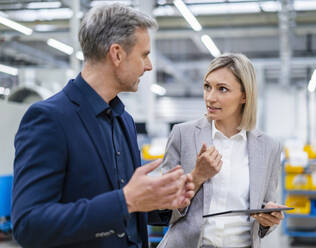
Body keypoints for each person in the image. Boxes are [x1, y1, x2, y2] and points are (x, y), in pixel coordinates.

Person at [11, 4, 194, 248]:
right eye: (144, 55)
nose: (149, 65)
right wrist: (125, 201)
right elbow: (29, 225)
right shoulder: (49, 119)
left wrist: (164, 201)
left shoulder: (124, 120)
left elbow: (127, 212)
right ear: (117, 54)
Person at [158, 53, 285, 248]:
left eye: (222, 89)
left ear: (244, 96)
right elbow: (162, 208)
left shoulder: (269, 147)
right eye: (207, 86)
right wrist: (197, 176)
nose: (210, 97)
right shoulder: (182, 135)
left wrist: (268, 220)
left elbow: (266, 208)